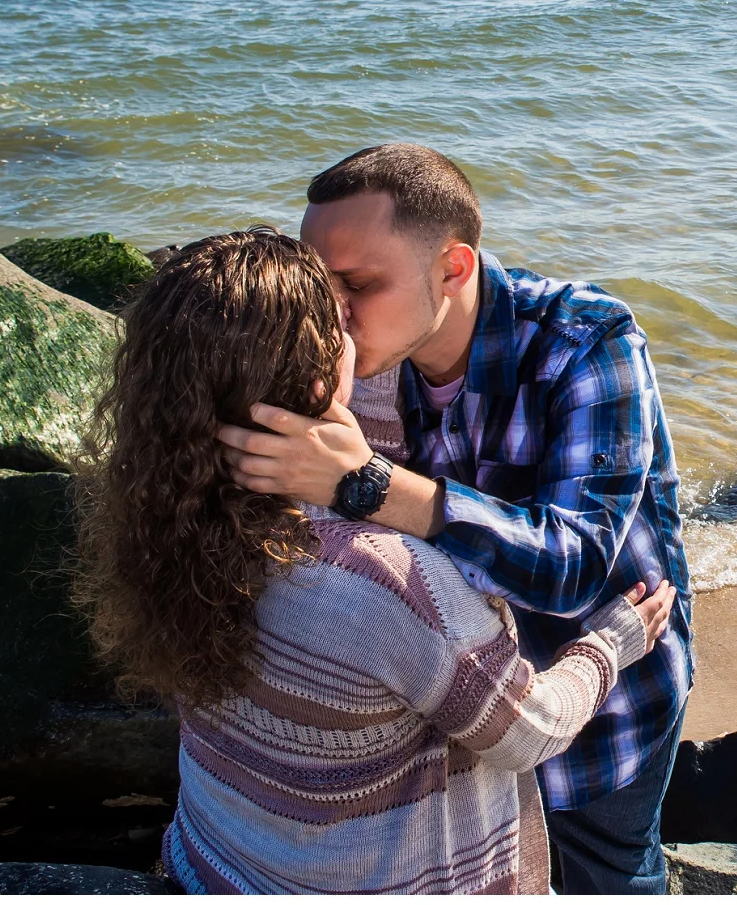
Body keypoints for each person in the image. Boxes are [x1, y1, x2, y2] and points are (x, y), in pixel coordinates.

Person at [74, 229, 677, 893]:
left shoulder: (170, 517)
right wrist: (609, 645)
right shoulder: (385, 582)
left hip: (220, 863)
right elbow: (531, 731)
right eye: (340, 322)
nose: (358, 331)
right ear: (317, 377)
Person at [215, 145, 694, 894]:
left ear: (453, 268)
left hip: (607, 699)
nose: (332, 314)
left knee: (613, 874)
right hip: (464, 708)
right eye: (319, 285)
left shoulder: (587, 344)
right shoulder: (361, 360)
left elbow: (572, 567)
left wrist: (369, 484)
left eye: (357, 285)